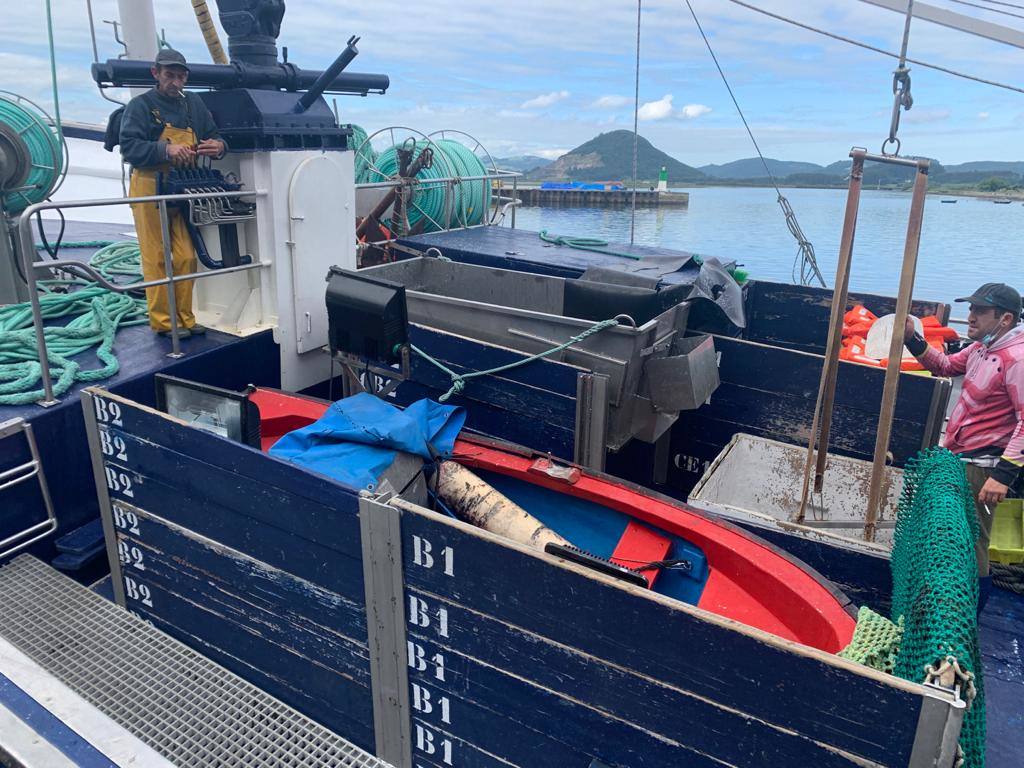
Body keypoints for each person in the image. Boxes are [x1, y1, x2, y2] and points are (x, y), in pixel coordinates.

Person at [904, 282, 1024, 602]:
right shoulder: (982, 347)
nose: (969, 316)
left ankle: (970, 612)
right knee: (948, 535)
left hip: (983, 469)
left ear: (1006, 319)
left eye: (979, 311)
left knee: (972, 541)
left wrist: (1002, 477)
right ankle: (945, 599)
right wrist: (911, 338)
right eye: (970, 309)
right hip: (956, 460)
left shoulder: (1017, 358)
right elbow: (944, 366)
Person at [119, 48, 226, 337]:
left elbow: (215, 134)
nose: (176, 82)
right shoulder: (140, 107)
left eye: (180, 77)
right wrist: (165, 149)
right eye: (169, 76)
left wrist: (218, 146)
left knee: (186, 257)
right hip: (150, 186)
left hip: (182, 185)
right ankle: (165, 323)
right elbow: (129, 146)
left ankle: (185, 319)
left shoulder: (194, 104)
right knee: (157, 256)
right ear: (156, 74)